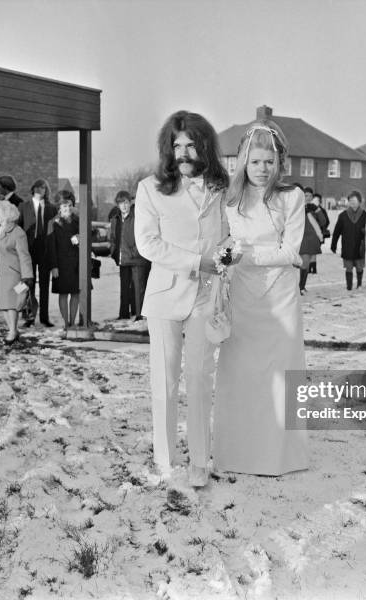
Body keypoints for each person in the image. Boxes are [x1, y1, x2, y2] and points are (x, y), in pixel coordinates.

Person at [134, 110, 229, 487]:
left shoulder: (221, 189)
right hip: (165, 296)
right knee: (166, 379)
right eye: (177, 145)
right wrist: (196, 262)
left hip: (207, 296)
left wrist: (222, 260)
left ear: (204, 146)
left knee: (201, 378)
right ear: (167, 149)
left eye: (191, 144)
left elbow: (229, 236)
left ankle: (199, 462)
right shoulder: (149, 188)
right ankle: (165, 458)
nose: (184, 152)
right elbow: (147, 243)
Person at [214, 120, 308, 476]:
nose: (262, 169)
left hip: (280, 295)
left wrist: (246, 256)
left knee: (280, 372)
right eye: (255, 161)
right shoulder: (230, 200)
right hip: (241, 295)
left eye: (269, 161)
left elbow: (290, 251)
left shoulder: (291, 197)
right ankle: (237, 454)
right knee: (241, 373)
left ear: (279, 162)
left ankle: (280, 455)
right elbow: (223, 243)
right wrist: (225, 258)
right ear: (243, 162)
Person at [0, 200, 33, 345]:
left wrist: (27, 277)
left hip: (13, 275)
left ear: (6, 215)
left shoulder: (18, 233)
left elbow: (24, 256)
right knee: (3, 305)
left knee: (12, 304)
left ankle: (12, 331)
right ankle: (13, 330)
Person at [18, 178, 57, 327]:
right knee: (28, 283)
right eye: (38, 188)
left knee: (45, 285)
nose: (41, 191)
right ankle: (29, 316)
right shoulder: (23, 206)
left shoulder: (52, 208)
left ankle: (44, 317)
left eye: (44, 188)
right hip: (29, 250)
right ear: (33, 189)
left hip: (45, 249)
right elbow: (19, 228)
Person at [109, 190, 150, 322]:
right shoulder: (115, 219)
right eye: (121, 203)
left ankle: (139, 314)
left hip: (136, 258)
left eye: (126, 202)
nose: (124, 206)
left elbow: (143, 236)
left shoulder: (137, 216)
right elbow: (113, 238)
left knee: (139, 288)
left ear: (130, 203)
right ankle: (124, 314)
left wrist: (136, 252)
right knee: (124, 288)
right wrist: (113, 251)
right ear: (117, 205)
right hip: (122, 258)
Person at [47, 191, 81, 330]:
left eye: (70, 206)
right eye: (64, 206)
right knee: (63, 294)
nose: (67, 209)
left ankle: (73, 322)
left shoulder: (78, 221)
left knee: (75, 293)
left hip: (76, 263)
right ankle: (66, 324)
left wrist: (80, 236)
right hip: (60, 264)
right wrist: (54, 266)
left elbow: (88, 236)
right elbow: (51, 246)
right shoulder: (53, 223)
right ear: (59, 208)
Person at [331, 190, 366, 290]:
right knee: (348, 267)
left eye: (355, 200)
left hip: (360, 246)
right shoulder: (343, 216)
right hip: (347, 246)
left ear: (360, 201)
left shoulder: (365, 215)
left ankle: (359, 284)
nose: (352, 203)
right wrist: (333, 245)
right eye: (350, 200)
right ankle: (349, 286)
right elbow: (337, 232)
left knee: (359, 267)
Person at [298, 201, 323, 294]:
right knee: (303, 265)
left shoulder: (312, 211)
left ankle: (302, 286)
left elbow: (323, 221)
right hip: (300, 241)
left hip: (311, 241)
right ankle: (300, 287)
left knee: (306, 265)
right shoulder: (294, 213)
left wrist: (317, 209)